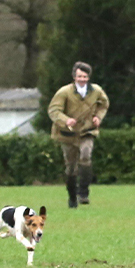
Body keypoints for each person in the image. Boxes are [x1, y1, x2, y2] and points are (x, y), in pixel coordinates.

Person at [47, 61, 109, 208]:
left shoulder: (96, 91)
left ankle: (83, 193)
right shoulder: (64, 92)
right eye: (80, 76)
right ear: (74, 76)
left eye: (85, 76)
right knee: (71, 168)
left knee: (86, 155)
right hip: (67, 133)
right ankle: (72, 197)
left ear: (89, 77)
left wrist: (98, 117)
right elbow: (53, 111)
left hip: (87, 130)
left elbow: (104, 104)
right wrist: (66, 120)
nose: (82, 79)